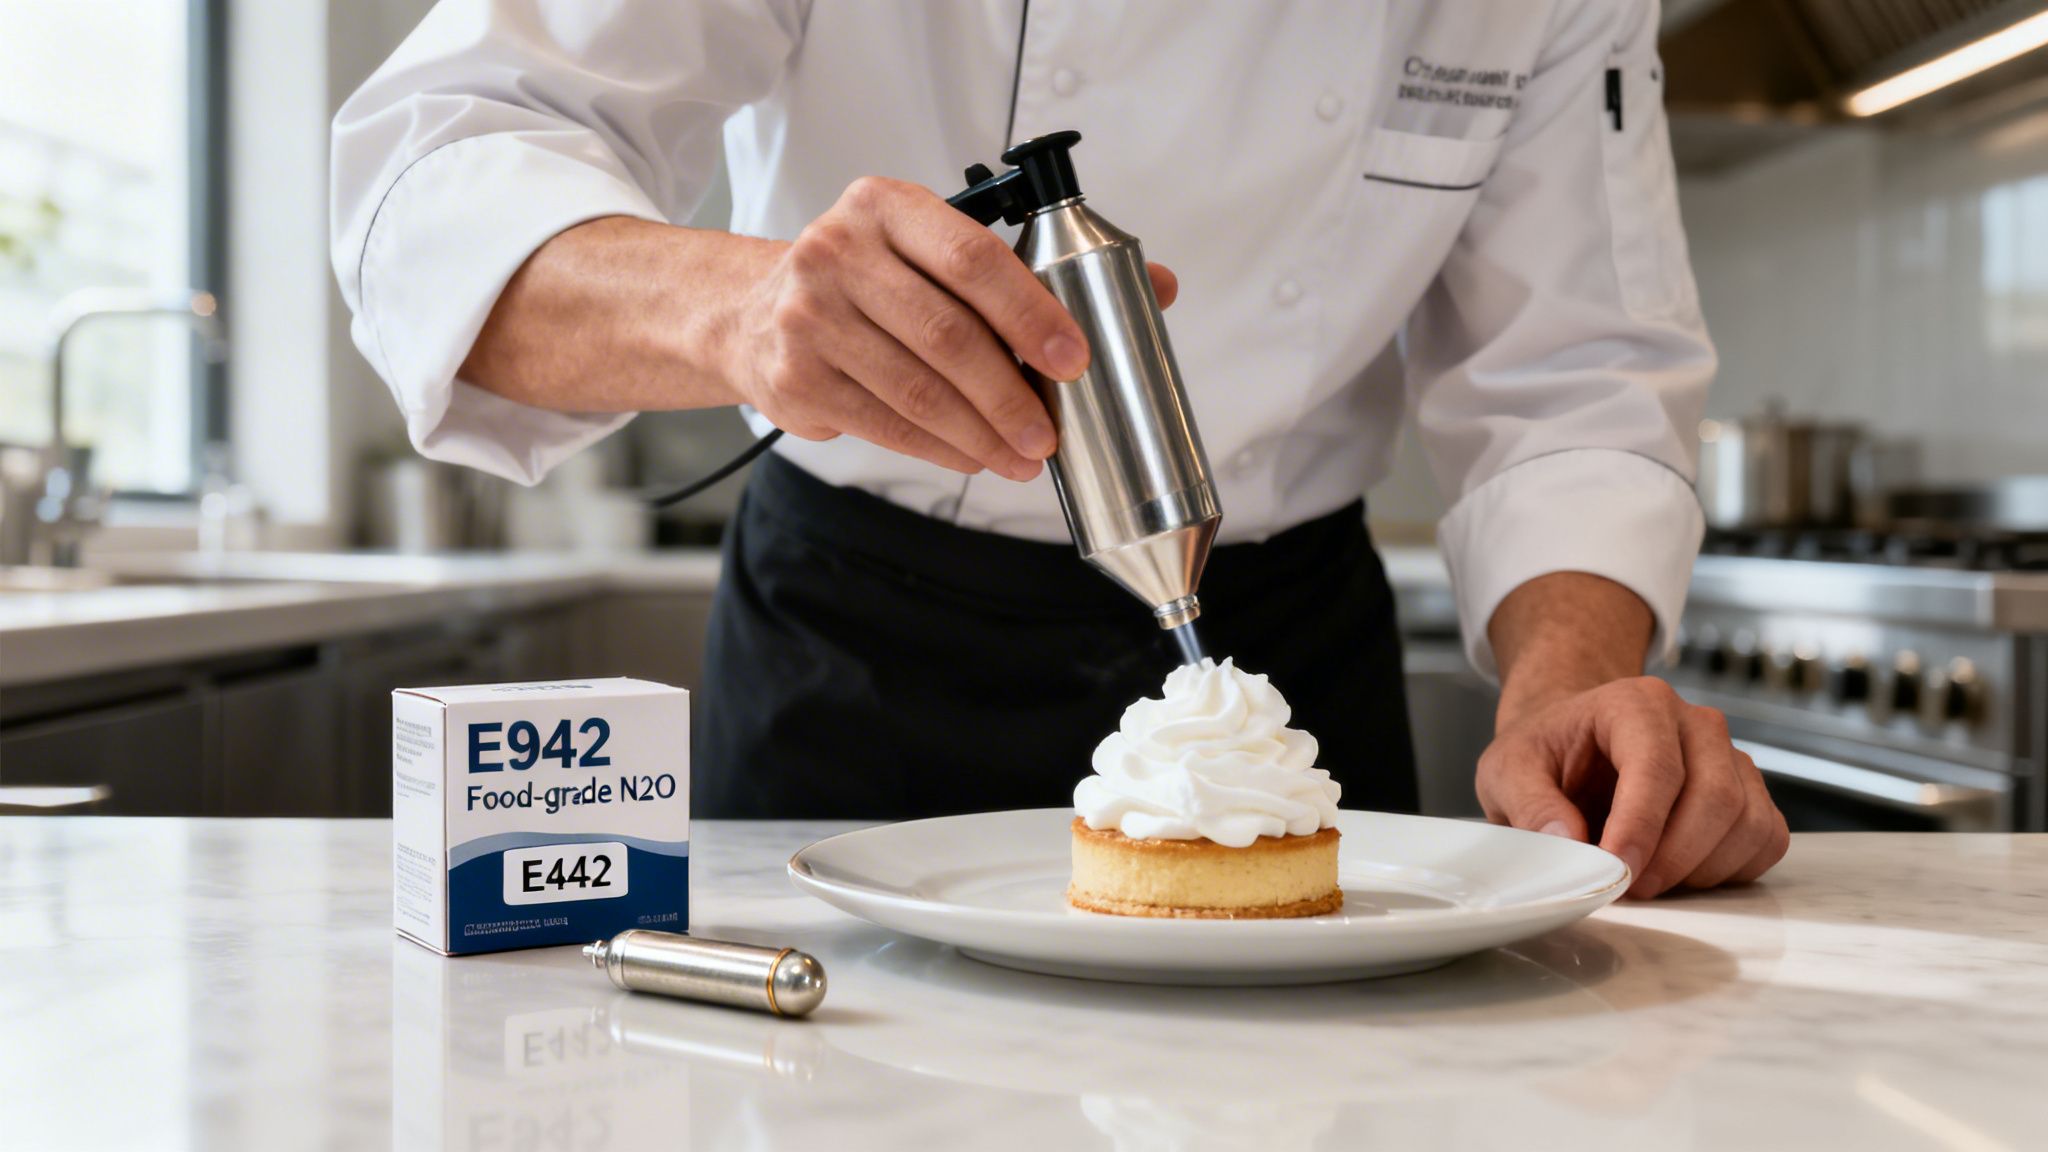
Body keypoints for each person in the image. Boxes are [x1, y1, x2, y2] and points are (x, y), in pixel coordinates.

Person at [332, 1, 1789, 898]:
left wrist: (1575, 691)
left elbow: (1575, 375)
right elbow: (435, 175)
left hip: (1287, 670)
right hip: (864, 659)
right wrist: (746, 307)